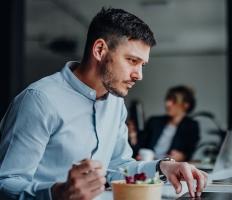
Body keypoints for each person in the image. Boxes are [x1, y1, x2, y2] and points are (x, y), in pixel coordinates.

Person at [0, 8, 207, 200]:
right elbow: (5, 183)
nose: (139, 75)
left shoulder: (116, 103)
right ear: (99, 50)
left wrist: (163, 168)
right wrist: (56, 193)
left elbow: (118, 166)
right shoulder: (39, 100)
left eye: (142, 65)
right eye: (132, 61)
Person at [138, 86, 200, 162]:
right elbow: (140, 146)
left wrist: (182, 156)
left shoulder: (191, 126)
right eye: (167, 99)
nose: (167, 104)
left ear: (186, 105)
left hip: (170, 167)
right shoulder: (154, 121)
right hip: (148, 163)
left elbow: (189, 152)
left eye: (173, 101)